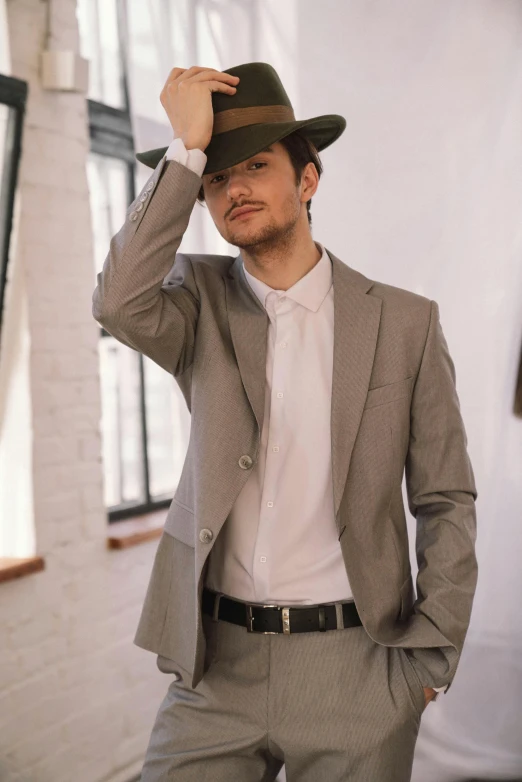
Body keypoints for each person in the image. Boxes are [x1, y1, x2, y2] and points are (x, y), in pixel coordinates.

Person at [92, 61, 478, 781]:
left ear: (308, 180)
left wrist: (429, 659)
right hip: (215, 669)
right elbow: (116, 303)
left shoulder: (404, 323)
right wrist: (185, 152)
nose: (232, 187)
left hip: (357, 668)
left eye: (257, 166)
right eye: (216, 177)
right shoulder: (193, 301)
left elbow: (445, 498)